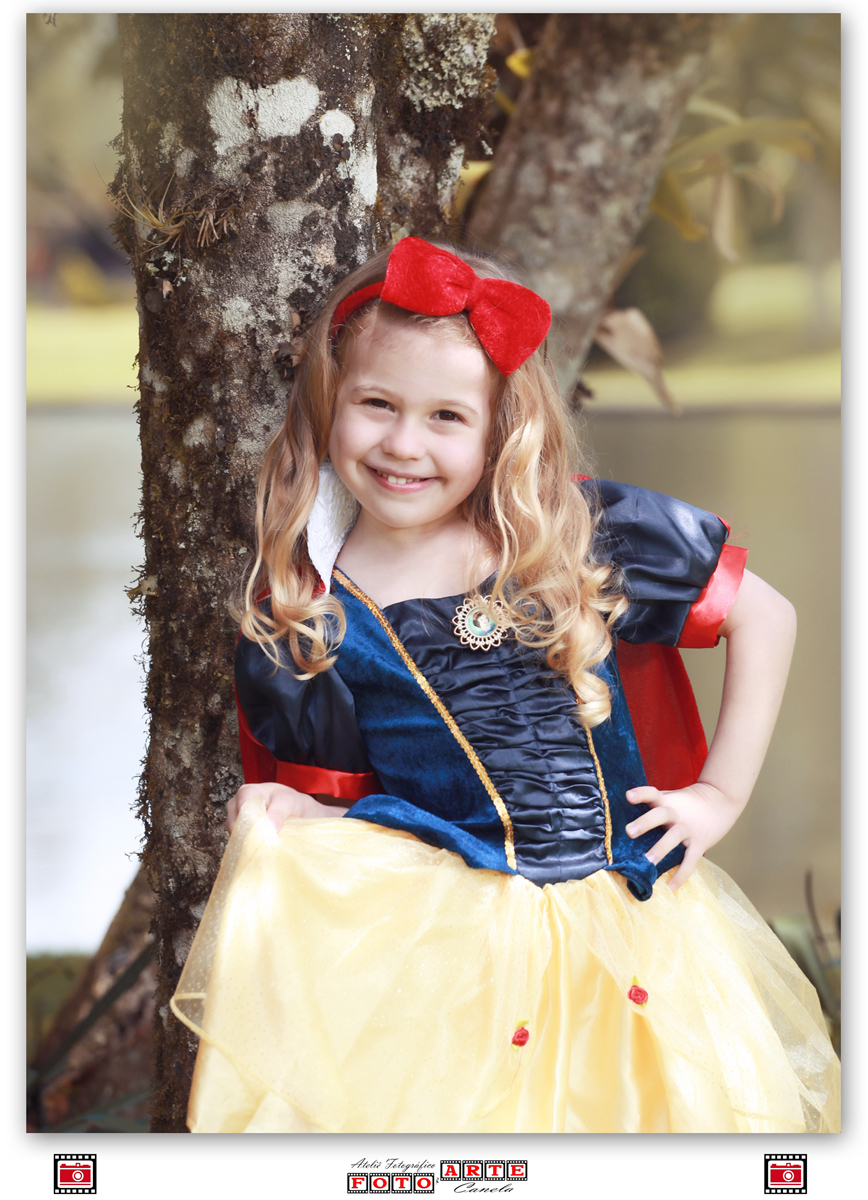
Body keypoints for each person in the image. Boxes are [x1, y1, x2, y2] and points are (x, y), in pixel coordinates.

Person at [171, 237, 840, 1134]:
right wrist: (299, 823)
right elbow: (347, 800)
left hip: (638, 933)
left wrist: (719, 794)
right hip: (455, 944)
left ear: (500, 428)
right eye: (376, 405)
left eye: (447, 417)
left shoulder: (574, 536)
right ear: (330, 403)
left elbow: (769, 615)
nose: (404, 444)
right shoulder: (313, 609)